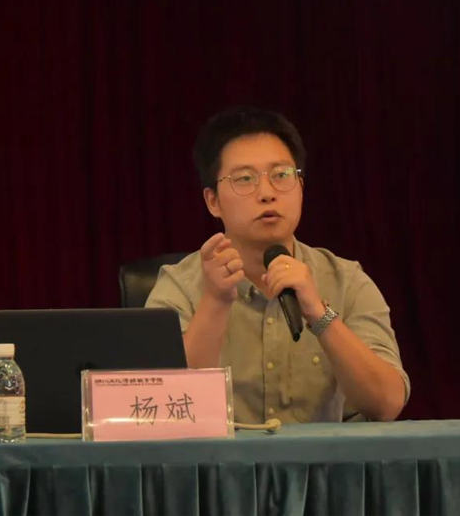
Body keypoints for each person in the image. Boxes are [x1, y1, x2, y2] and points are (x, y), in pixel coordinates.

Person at [146, 106, 409, 423]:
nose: (267, 193)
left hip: (323, 457)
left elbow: (386, 404)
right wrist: (214, 301)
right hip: (220, 457)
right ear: (212, 201)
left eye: (281, 175)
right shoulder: (179, 286)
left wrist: (319, 314)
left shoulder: (346, 280)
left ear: (301, 187)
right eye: (245, 179)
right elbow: (160, 408)